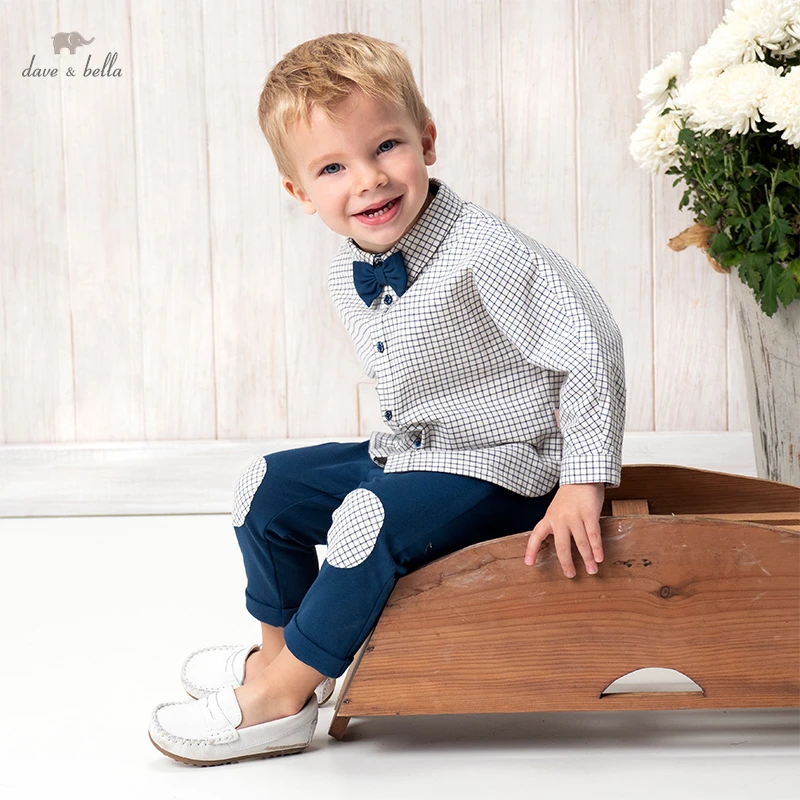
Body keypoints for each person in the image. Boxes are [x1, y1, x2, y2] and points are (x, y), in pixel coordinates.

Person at [148, 32, 626, 767]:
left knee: (365, 519)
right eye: (333, 167)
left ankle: (278, 699)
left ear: (426, 140)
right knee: (264, 488)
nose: (368, 179)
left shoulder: (485, 252)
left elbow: (590, 345)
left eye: (386, 147)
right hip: (414, 454)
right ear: (299, 193)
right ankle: (283, 662)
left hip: (504, 469)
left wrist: (582, 482)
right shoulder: (350, 269)